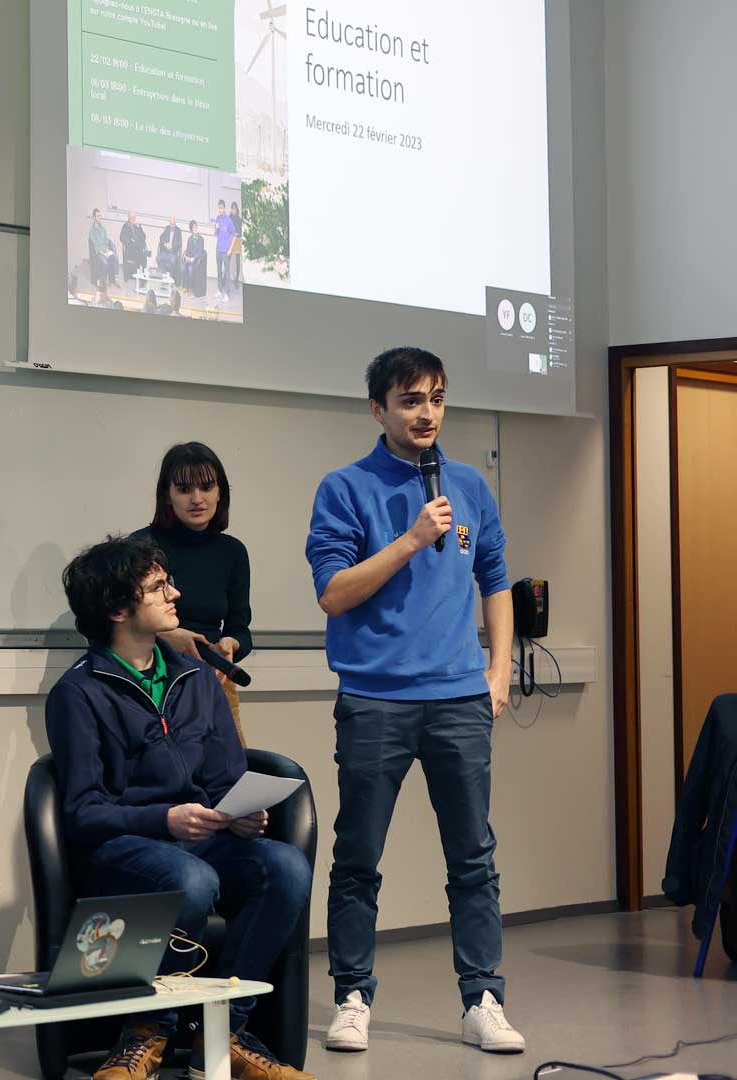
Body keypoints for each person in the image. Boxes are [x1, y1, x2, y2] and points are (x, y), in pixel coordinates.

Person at [306, 347, 524, 1056]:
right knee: (359, 856)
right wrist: (409, 539)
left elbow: (494, 574)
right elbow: (334, 593)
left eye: (435, 398)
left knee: (473, 857)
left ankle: (482, 999)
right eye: (409, 400)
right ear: (378, 409)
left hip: (460, 697)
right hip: (375, 699)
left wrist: (499, 670)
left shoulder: (470, 484)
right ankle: (352, 996)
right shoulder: (345, 487)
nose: (425, 412)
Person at [46, 536, 313, 1080]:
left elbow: (222, 777)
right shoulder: (78, 692)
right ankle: (146, 1033)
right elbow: (82, 812)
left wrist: (238, 812)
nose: (176, 593)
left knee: (284, 867)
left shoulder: (196, 676)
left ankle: (225, 1034)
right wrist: (162, 819)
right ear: (119, 610)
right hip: (124, 848)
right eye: (158, 587)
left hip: (200, 840)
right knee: (190, 879)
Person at [132, 442, 252, 744]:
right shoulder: (141, 547)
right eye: (185, 489)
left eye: (207, 487)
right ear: (168, 496)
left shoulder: (232, 552)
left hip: (213, 681)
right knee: (166, 781)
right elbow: (113, 624)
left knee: (232, 779)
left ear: (220, 492)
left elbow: (241, 628)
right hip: (153, 683)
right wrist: (166, 638)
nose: (197, 499)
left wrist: (230, 644)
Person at [87, 209, 117, 288]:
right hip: (98, 253)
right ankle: (102, 283)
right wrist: (103, 252)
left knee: (113, 258)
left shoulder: (103, 229)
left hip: (105, 250)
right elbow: (95, 245)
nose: (100, 217)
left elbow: (106, 241)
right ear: (94, 218)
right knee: (104, 262)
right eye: (98, 216)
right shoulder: (92, 231)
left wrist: (107, 250)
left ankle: (112, 280)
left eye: (100, 216)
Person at [214, 199, 236, 302]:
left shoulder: (228, 220)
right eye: (219, 208)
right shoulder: (217, 219)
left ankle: (227, 293)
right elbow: (216, 234)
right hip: (218, 249)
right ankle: (219, 290)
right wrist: (216, 228)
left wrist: (230, 249)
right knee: (219, 271)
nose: (220, 210)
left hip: (226, 250)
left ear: (224, 208)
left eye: (221, 208)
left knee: (227, 273)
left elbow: (234, 235)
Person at [121, 211, 148, 284]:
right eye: (131, 218)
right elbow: (122, 238)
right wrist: (130, 240)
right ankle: (145, 252)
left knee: (143, 257)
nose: (133, 220)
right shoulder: (125, 226)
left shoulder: (137, 226)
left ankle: (143, 278)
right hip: (130, 250)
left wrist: (139, 228)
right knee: (141, 253)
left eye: (134, 218)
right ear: (128, 218)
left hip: (138, 249)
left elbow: (144, 237)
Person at [183, 220, 208, 297]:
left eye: (196, 227)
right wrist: (186, 257)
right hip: (190, 260)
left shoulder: (201, 239)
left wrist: (194, 258)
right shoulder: (189, 239)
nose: (195, 229)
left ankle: (190, 290)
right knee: (182, 267)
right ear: (191, 229)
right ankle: (185, 286)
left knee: (190, 269)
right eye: (194, 227)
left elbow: (200, 252)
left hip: (197, 261)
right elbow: (187, 251)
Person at [156, 218, 183, 283]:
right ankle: (164, 277)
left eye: (173, 223)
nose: (171, 225)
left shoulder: (178, 230)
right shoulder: (167, 228)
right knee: (159, 258)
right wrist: (165, 244)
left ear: (175, 222)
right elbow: (161, 237)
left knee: (172, 260)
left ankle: (170, 280)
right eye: (170, 223)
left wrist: (172, 245)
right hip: (165, 251)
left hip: (173, 252)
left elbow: (180, 243)